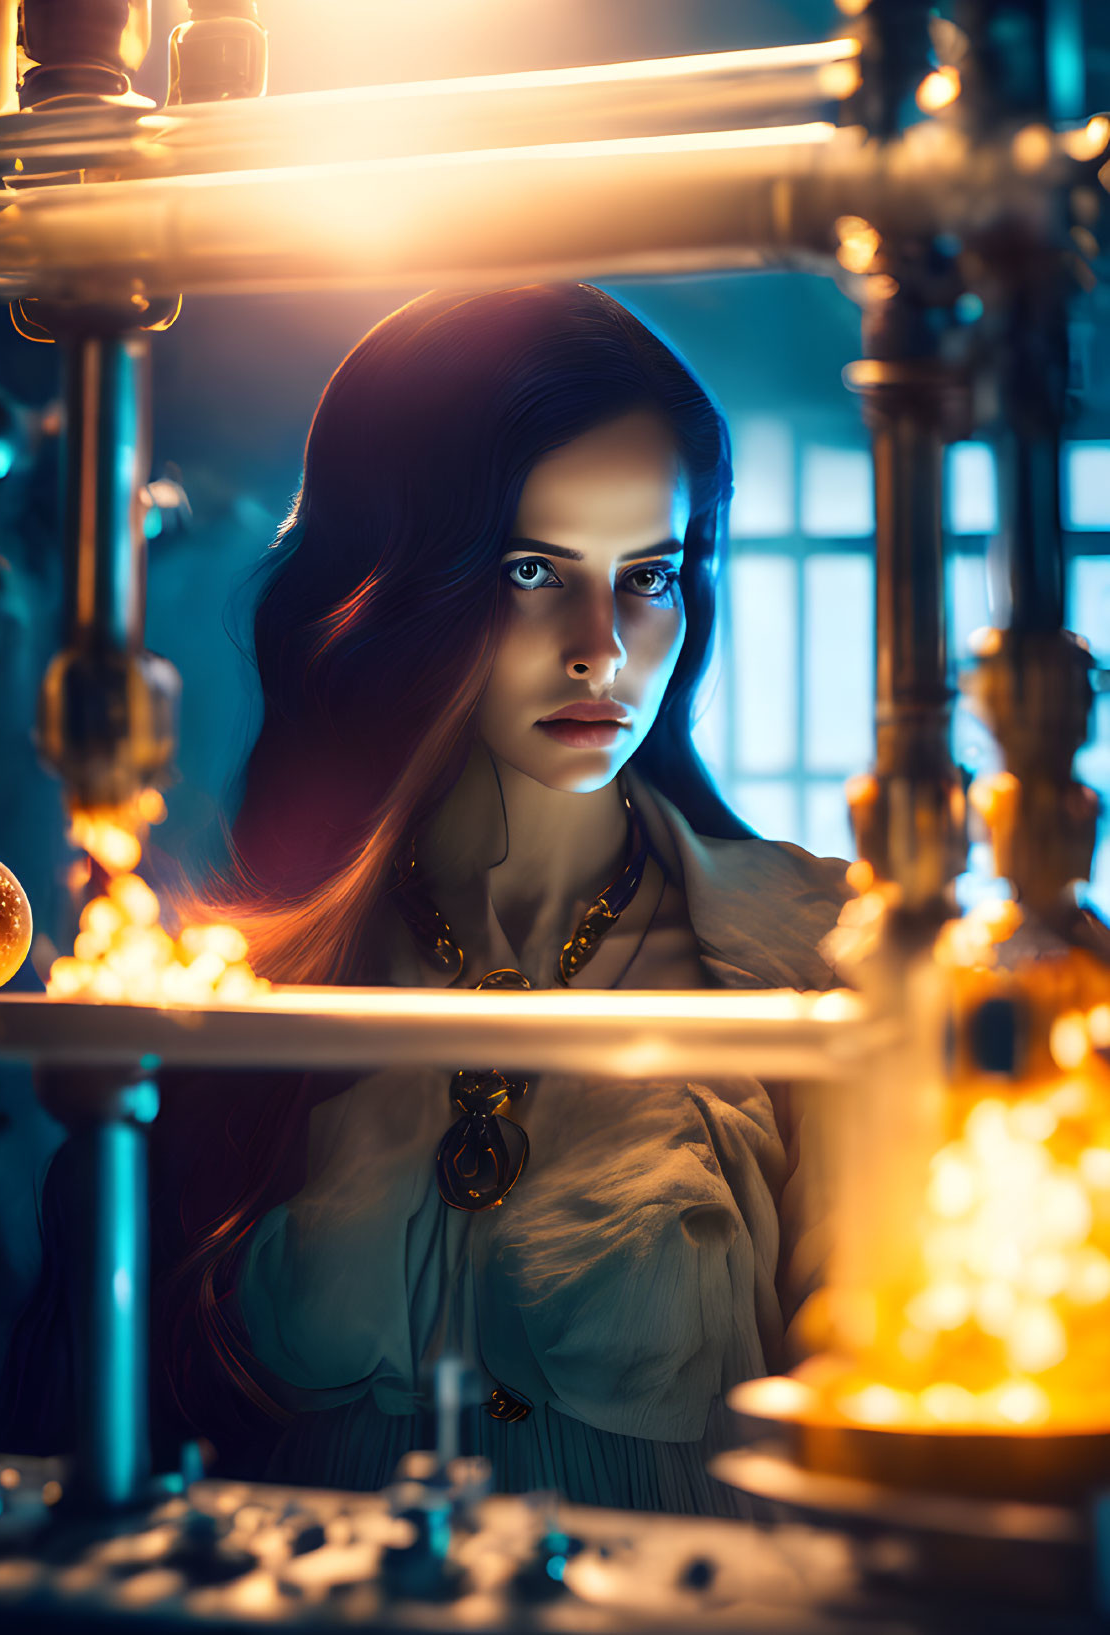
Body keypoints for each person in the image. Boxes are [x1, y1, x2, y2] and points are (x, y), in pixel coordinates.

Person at [155, 283, 849, 1515]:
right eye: (533, 569)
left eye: (651, 573)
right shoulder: (251, 974)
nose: (601, 648)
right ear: (406, 576)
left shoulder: (818, 956)